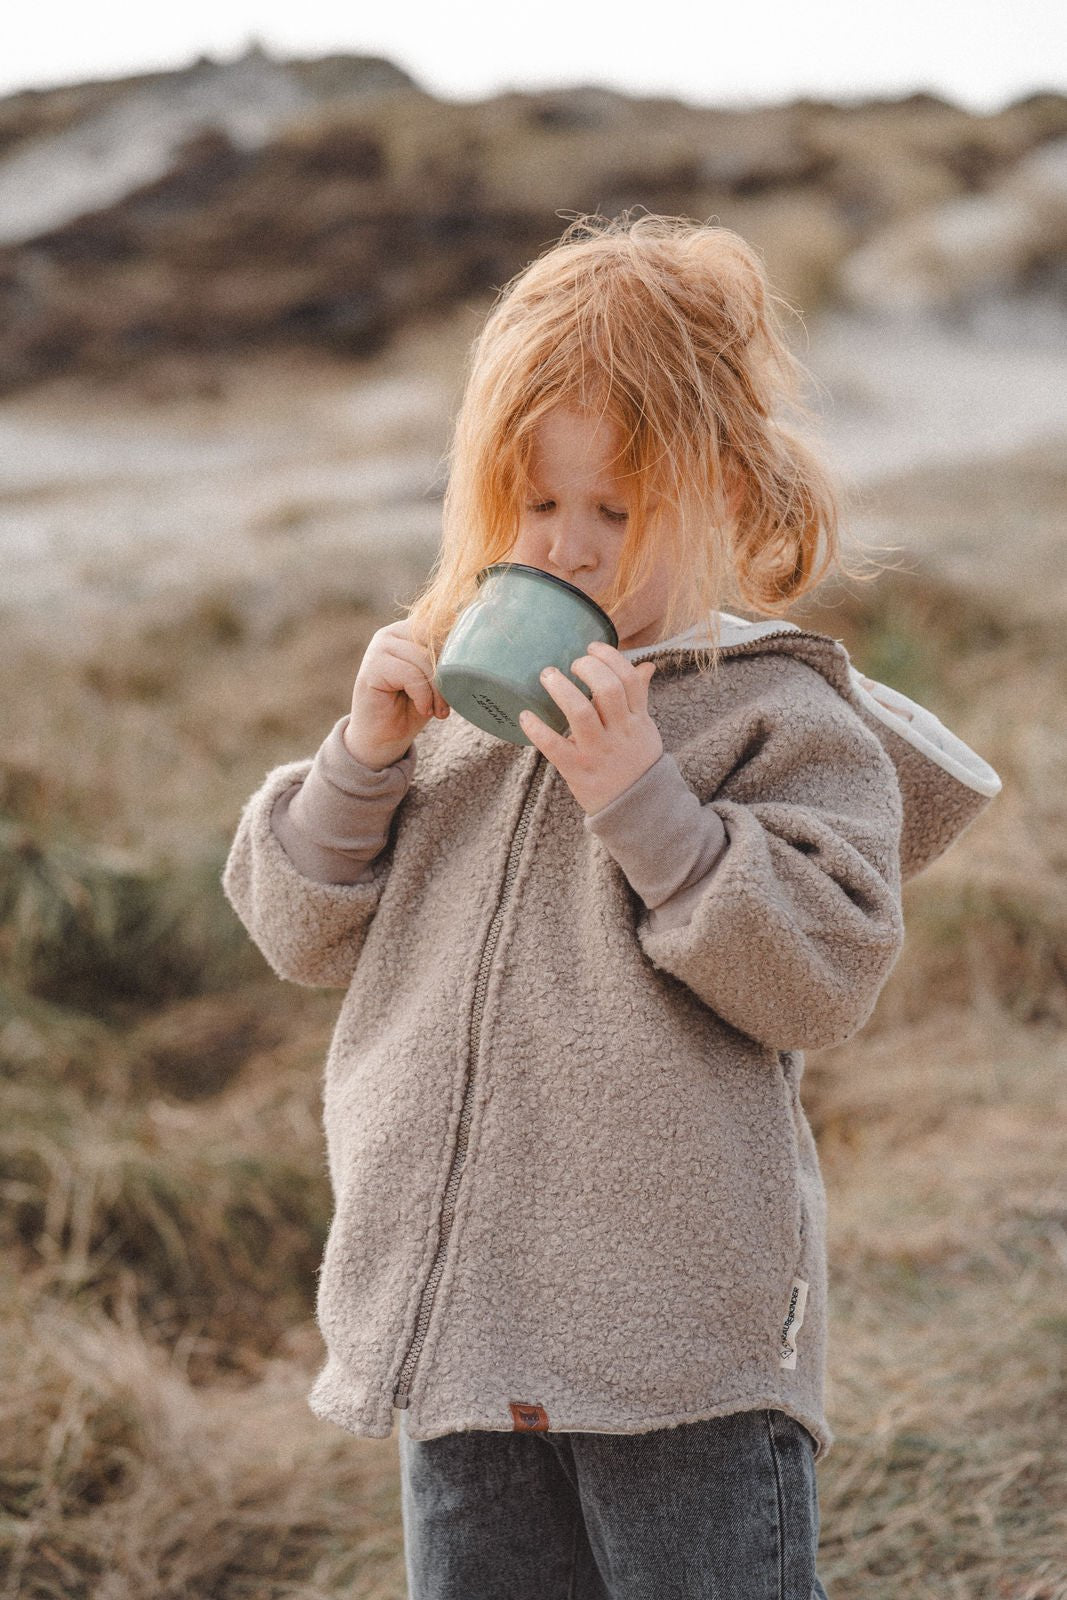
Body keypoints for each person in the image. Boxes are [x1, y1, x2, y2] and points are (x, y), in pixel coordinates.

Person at [221, 213, 1002, 1599]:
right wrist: (365, 756)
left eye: (616, 511)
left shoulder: (773, 713)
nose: (569, 548)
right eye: (534, 505)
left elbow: (821, 974)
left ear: (729, 495)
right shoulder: (454, 719)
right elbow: (297, 925)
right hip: (459, 1329)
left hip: (678, 1361)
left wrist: (648, 801)